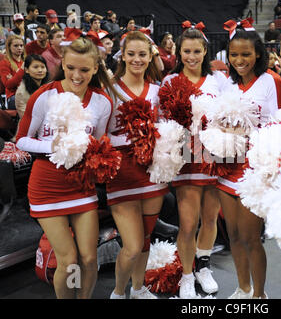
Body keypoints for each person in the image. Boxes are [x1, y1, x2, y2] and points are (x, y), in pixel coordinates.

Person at [15, 32, 116, 299]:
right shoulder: (44, 95)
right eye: (70, 68)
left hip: (82, 188)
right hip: (47, 188)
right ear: (62, 63)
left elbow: (99, 144)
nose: (77, 75)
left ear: (95, 68)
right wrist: (53, 146)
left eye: (84, 70)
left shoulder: (102, 102)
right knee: (69, 259)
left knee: (89, 258)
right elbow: (21, 140)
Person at [218, 20, 281, 299]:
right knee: (232, 235)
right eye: (234, 55)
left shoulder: (272, 80)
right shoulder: (226, 84)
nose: (239, 60)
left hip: (253, 168)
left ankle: (259, 294)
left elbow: (277, 124)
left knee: (250, 237)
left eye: (245, 54)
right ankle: (242, 288)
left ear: (258, 53)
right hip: (226, 166)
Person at [161, 23, 228, 299]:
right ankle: (186, 276)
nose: (191, 56)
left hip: (212, 155)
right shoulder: (168, 82)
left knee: (210, 219)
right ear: (179, 52)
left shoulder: (219, 81)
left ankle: (203, 266)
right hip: (185, 157)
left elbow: (228, 115)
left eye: (196, 51)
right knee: (188, 224)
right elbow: (162, 122)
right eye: (186, 51)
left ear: (205, 51)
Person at [106, 30, 167, 299]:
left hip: (152, 173)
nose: (137, 59)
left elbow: (166, 127)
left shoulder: (157, 89)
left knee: (144, 241)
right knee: (130, 245)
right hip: (122, 173)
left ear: (150, 56)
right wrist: (133, 134)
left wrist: (156, 134)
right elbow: (100, 133)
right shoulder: (110, 89)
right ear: (123, 56)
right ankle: (119, 292)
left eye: (142, 54)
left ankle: (138, 289)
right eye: (131, 54)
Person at [15, 54, 49, 119]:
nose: (40, 70)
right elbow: (26, 118)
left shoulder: (49, 86)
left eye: (43, 67)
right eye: (35, 67)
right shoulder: (22, 92)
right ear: (26, 70)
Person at [0, 35, 25, 110]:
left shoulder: (24, 62)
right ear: (9, 47)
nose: (19, 48)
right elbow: (8, 84)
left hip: (27, 93)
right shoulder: (4, 63)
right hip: (13, 96)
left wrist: (14, 78)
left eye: (21, 45)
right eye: (16, 46)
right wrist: (21, 71)